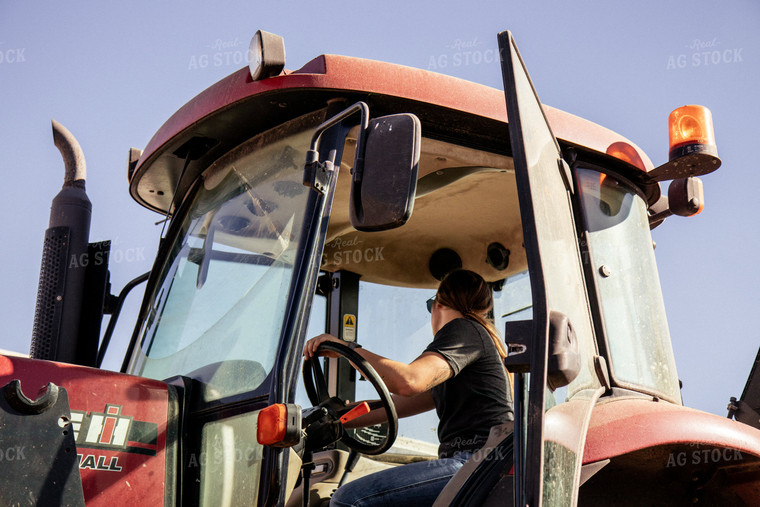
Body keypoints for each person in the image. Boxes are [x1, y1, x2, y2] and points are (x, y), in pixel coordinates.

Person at [303, 269, 514, 506]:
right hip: (481, 462)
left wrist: (348, 348)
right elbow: (395, 405)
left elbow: (409, 381)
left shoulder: (464, 328)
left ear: (438, 304)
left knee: (349, 500)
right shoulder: (470, 353)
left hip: (475, 462)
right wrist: (335, 420)